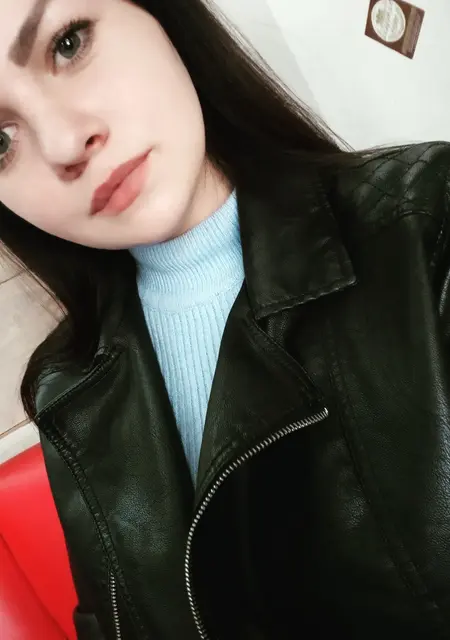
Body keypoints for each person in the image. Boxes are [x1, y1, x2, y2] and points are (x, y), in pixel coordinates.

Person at [0, 0, 449, 637]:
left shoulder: (428, 227)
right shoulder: (66, 388)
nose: (65, 143)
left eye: (68, 44)